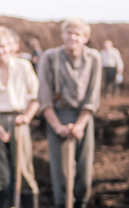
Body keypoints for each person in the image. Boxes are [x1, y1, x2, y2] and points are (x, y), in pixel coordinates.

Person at [38, 18, 101, 208]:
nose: (72, 37)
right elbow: (45, 98)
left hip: (83, 118)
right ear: (62, 35)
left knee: (83, 172)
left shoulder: (94, 59)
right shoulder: (50, 58)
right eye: (69, 33)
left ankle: (81, 203)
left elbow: (92, 97)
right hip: (57, 116)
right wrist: (57, 127)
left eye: (77, 34)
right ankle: (62, 204)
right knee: (62, 173)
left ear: (85, 38)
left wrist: (80, 126)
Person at [0, 26, 40, 208]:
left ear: (11, 46)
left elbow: (36, 98)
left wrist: (27, 117)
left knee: (25, 170)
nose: (0, 51)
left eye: (3, 46)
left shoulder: (24, 67)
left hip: (19, 121)